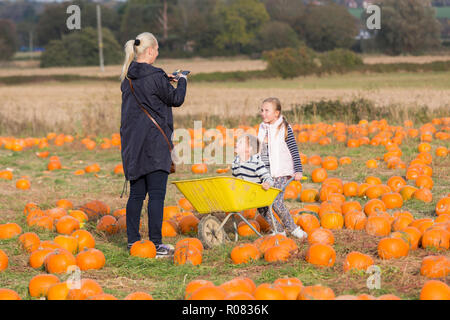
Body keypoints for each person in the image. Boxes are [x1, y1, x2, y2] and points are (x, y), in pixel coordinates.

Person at [119, 32, 188, 256]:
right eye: (156, 50)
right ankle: (157, 244)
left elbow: (148, 91)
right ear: (149, 51)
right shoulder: (156, 75)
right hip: (156, 144)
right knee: (157, 195)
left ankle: (133, 242)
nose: (157, 54)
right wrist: (182, 80)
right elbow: (176, 99)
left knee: (137, 195)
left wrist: (164, 79)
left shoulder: (128, 78)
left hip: (133, 145)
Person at [257, 97, 307, 239]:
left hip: (281, 172)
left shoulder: (284, 128)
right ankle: (279, 231)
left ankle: (294, 229)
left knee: (276, 202)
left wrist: (298, 170)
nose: (263, 113)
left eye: (267, 110)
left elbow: (294, 150)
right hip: (265, 174)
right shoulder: (262, 128)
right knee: (261, 205)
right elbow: (257, 150)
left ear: (276, 113)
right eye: (262, 110)